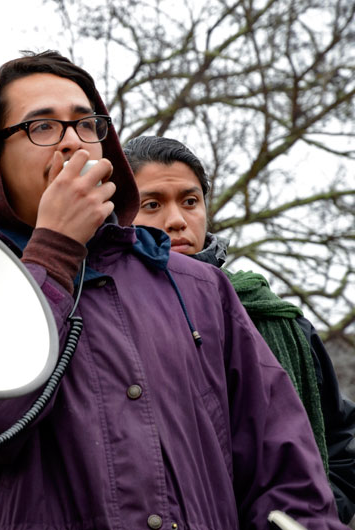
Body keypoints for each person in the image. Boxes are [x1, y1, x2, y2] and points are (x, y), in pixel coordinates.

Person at [0, 50, 346, 529]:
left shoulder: (199, 287)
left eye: (86, 124)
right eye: (41, 127)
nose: (71, 143)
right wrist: (55, 251)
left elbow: (285, 473)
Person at [125, 134, 355, 525]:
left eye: (190, 201)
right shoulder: (99, 318)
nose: (178, 219)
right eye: (152, 204)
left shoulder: (273, 317)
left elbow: (342, 443)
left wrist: (309, 507)